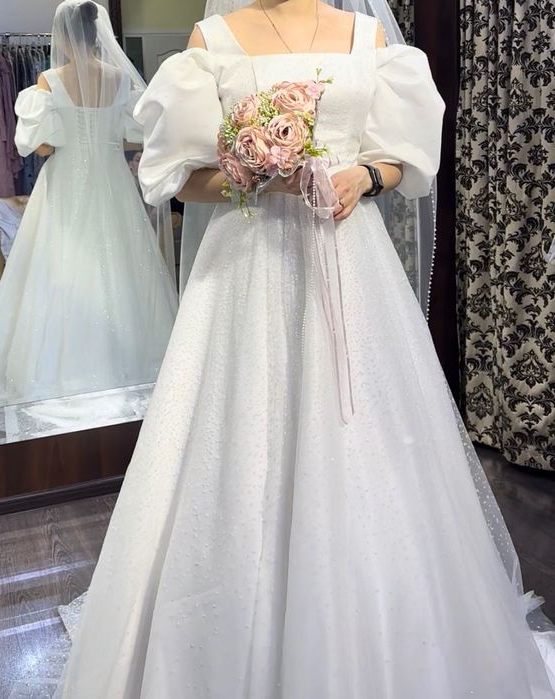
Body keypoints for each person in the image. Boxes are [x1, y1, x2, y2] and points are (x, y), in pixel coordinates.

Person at [55, 0, 555, 696]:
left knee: (364, 440)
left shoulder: (370, 38)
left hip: (350, 264)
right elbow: (180, 178)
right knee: (240, 437)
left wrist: (365, 177)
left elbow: (401, 159)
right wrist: (251, 172)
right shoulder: (211, 41)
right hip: (245, 268)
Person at [0, 0, 178, 405]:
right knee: (120, 266)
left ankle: (60, 367)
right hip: (112, 182)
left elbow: (42, 146)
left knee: (60, 267)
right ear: (97, 34)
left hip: (65, 183)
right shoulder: (120, 79)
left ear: (61, 36)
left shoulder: (49, 81)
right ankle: (131, 360)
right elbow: (132, 137)